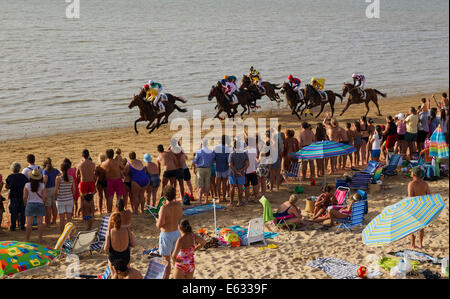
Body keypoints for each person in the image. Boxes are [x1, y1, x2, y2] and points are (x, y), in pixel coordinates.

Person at [156, 186, 183, 279]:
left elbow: (160, 224)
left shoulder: (164, 208)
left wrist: (158, 218)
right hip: (176, 232)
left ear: (164, 196)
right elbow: (179, 216)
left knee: (166, 261)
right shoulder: (178, 204)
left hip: (166, 235)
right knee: (176, 258)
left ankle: (166, 277)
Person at [104, 212, 136, 278]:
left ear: (112, 222)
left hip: (114, 259)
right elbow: (133, 244)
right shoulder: (127, 230)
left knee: (113, 273)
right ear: (121, 220)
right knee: (126, 274)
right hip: (125, 258)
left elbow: (106, 249)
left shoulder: (109, 232)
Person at [408, 167, 431, 248]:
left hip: (415, 208)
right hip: (423, 208)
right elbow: (429, 196)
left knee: (413, 227)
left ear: (413, 174)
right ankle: (420, 244)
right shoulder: (425, 184)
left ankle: (412, 244)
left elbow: (410, 198)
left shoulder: (411, 184)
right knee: (421, 227)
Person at [24, 169, 46, 242]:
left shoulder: (27, 185)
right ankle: (40, 238)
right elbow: (45, 197)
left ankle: (27, 239)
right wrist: (44, 203)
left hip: (30, 204)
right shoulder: (42, 185)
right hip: (40, 204)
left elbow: (24, 197)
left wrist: (25, 203)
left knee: (29, 223)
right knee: (40, 223)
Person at [5, 162, 28, 231]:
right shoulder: (23, 176)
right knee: (22, 211)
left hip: (14, 196)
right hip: (22, 195)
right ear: (19, 169)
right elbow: (26, 184)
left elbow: (7, 186)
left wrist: (9, 186)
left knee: (14, 212)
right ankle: (22, 225)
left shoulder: (10, 177)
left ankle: (13, 226)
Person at [77, 149, 96, 230]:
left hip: (84, 182)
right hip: (91, 181)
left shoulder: (80, 165)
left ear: (82, 155)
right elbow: (92, 172)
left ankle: (83, 216)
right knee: (91, 198)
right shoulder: (93, 164)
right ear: (88, 155)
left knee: (82, 199)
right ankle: (92, 215)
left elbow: (77, 175)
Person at [102, 149, 125, 214]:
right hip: (118, 180)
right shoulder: (117, 162)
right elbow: (123, 167)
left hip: (110, 181)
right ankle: (119, 210)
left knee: (110, 198)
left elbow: (101, 171)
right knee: (119, 197)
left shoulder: (104, 163)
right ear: (113, 155)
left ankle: (109, 211)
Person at [192, 140, 215, 204]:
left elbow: (194, 161)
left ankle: (200, 199)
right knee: (207, 184)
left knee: (200, 185)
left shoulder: (199, 151)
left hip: (200, 169)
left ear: (202, 144)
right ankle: (206, 199)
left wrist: (194, 168)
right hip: (208, 168)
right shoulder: (211, 151)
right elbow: (213, 160)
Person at [54, 162, 74, 233]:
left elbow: (56, 190)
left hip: (61, 199)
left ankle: (63, 234)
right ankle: (69, 234)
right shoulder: (71, 178)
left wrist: (55, 198)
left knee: (62, 219)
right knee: (69, 219)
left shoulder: (58, 178)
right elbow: (73, 190)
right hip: (69, 198)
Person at [228, 140, 249, 207]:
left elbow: (230, 164)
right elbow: (247, 164)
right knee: (240, 188)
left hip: (233, 173)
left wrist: (236, 171)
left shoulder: (232, 154)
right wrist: (241, 170)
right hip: (241, 173)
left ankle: (231, 202)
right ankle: (239, 202)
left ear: (234, 146)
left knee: (232, 188)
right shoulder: (244, 154)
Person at [42, 157, 60, 228]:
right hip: (55, 188)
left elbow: (45, 180)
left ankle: (48, 223)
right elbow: (60, 175)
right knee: (54, 206)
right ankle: (54, 221)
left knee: (48, 207)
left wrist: (44, 189)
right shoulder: (55, 170)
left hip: (48, 189)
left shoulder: (45, 171)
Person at [214, 135, 232, 203]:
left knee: (218, 183)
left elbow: (213, 158)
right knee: (224, 183)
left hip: (218, 167)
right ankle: (224, 197)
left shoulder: (216, 148)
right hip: (225, 167)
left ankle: (219, 198)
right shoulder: (227, 149)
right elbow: (228, 160)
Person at [244, 137, 259, 203]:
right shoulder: (254, 150)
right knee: (255, 185)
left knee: (246, 186)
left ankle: (247, 199)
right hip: (253, 170)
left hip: (246, 171)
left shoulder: (245, 152)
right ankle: (256, 198)